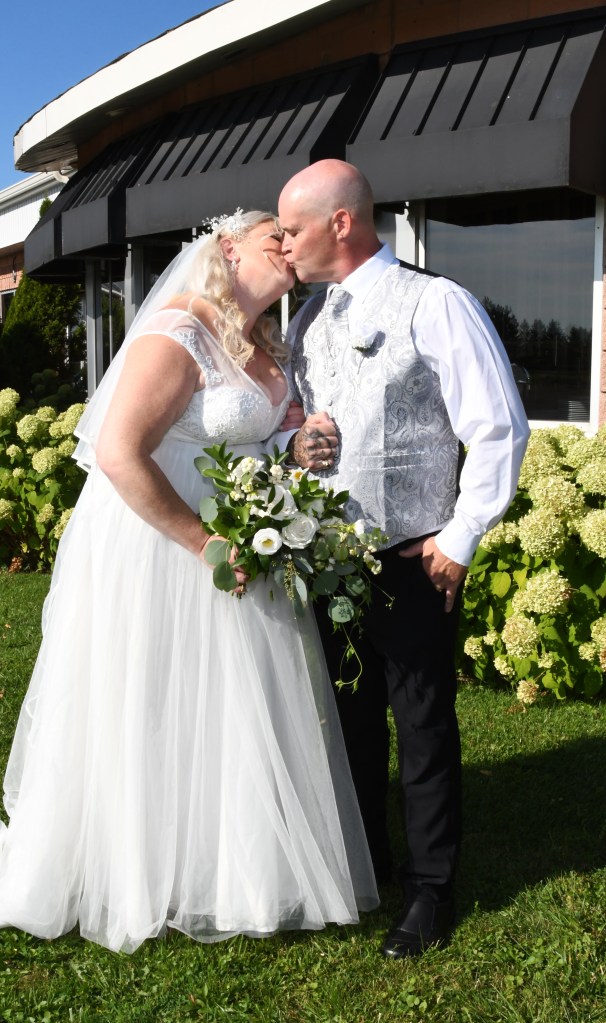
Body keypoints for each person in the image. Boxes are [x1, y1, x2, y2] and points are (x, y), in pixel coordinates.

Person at [0, 210, 378, 952]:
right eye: (273, 238)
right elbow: (121, 450)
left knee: (231, 701)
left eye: (295, 237)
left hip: (244, 541)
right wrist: (206, 545)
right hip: (163, 544)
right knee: (152, 695)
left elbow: (260, 431)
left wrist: (299, 445)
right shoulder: (177, 330)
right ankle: (133, 864)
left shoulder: (266, 345)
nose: (289, 248)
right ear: (227, 249)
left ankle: (233, 870)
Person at [277, 160, 530, 958]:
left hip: (410, 558)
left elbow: (497, 425)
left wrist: (460, 536)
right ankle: (368, 862)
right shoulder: (305, 319)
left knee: (421, 724)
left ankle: (430, 888)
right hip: (327, 556)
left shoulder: (436, 301)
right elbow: (289, 420)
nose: (283, 246)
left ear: (341, 222)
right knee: (348, 721)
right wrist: (293, 443)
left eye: (292, 229)